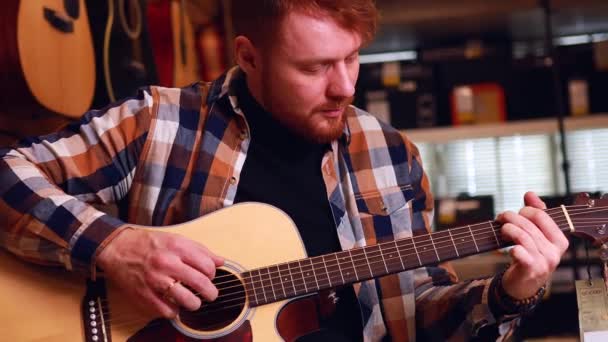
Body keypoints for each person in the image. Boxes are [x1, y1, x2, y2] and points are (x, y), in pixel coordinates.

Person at [0, 0, 569, 341]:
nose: (345, 85)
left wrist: (511, 291)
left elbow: (420, 317)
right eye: (316, 66)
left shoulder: (391, 154)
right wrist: (115, 247)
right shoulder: (158, 124)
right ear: (249, 57)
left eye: (351, 58)